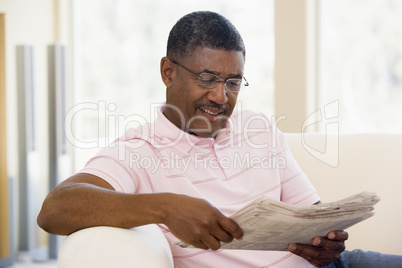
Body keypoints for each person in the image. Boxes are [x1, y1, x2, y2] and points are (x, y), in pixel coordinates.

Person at [38, 11, 402, 268]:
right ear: (168, 71)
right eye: (208, 78)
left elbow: (310, 214)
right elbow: (54, 208)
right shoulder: (139, 149)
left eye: (232, 82)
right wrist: (165, 207)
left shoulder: (259, 128)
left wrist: (323, 243)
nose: (220, 96)